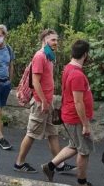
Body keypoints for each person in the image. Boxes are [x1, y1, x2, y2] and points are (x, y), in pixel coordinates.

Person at [13, 29, 74, 174]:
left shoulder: (49, 56)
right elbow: (35, 82)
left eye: (57, 40)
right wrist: (44, 102)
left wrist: (49, 101)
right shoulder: (40, 56)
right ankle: (19, 163)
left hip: (47, 101)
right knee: (32, 133)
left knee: (52, 133)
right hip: (41, 103)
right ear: (44, 40)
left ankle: (58, 164)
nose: (56, 43)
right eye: (53, 40)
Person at [40, 40, 95, 186]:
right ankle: (82, 182)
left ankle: (50, 167)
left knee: (73, 145)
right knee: (84, 151)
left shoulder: (68, 68)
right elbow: (78, 102)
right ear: (85, 54)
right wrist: (85, 124)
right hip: (76, 118)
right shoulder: (77, 74)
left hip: (69, 115)